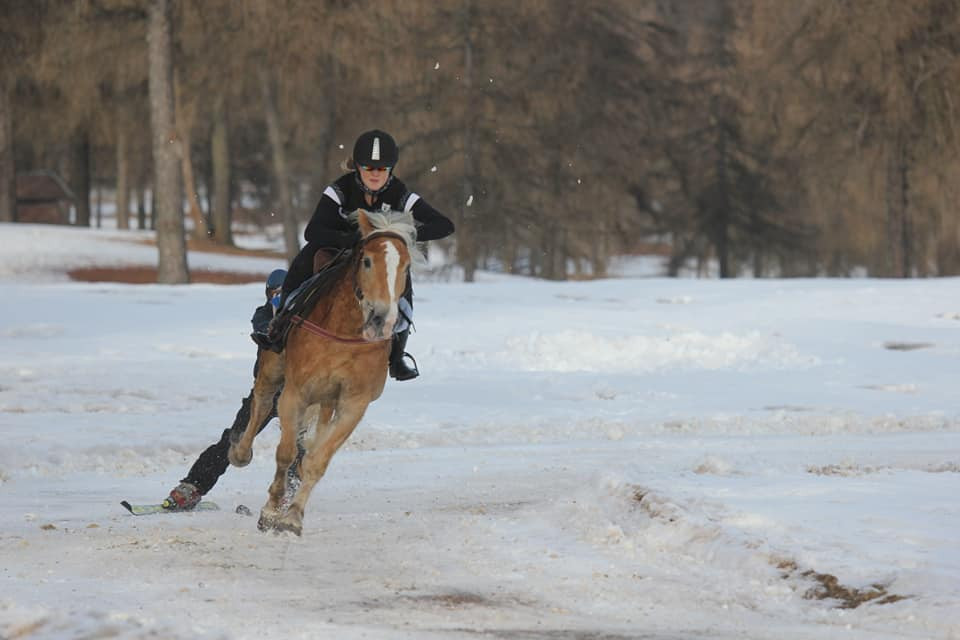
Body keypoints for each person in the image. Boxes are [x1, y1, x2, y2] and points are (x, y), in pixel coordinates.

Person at [258, 129, 455, 381]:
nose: (375, 174)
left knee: (401, 285)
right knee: (307, 256)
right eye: (369, 168)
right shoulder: (340, 189)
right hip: (336, 249)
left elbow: (444, 225)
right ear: (358, 168)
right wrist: (349, 239)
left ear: (390, 170)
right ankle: (278, 325)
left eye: (382, 169)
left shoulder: (400, 192)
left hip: (377, 258)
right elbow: (312, 231)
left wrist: (402, 235)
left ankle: (396, 358)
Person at [163, 269, 295, 510]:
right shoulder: (264, 314)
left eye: (282, 293)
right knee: (234, 440)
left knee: (301, 445)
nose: (278, 297)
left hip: (301, 396)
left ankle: (290, 492)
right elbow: (264, 330)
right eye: (273, 293)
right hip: (265, 395)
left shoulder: (304, 319)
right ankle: (193, 486)